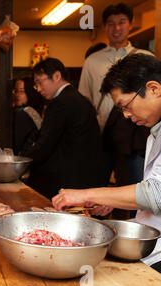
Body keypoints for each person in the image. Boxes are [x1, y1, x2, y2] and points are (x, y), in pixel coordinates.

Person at [53, 53, 161, 273]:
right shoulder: (153, 133)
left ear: (153, 89)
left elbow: (157, 193)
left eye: (125, 105)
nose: (125, 115)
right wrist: (114, 201)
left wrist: (85, 194)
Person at [78, 3, 153, 193]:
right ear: (104, 27)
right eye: (111, 24)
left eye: (121, 22)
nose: (116, 28)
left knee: (137, 188)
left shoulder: (146, 58)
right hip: (102, 136)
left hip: (136, 135)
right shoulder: (92, 61)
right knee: (97, 190)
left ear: (131, 24)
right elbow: (84, 100)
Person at [20, 57, 105, 199]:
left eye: (40, 82)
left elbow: (46, 144)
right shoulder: (81, 99)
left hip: (65, 180)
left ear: (57, 76)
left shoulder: (59, 103)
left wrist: (22, 160)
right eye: (36, 85)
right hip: (85, 176)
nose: (39, 89)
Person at [12, 77, 44, 155]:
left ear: (30, 92)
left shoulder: (23, 113)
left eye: (22, 91)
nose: (17, 95)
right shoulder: (35, 111)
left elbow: (17, 145)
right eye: (16, 91)